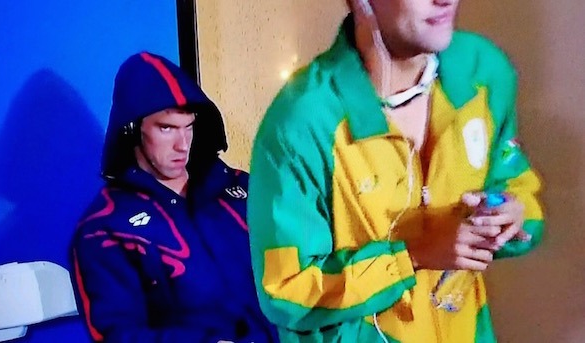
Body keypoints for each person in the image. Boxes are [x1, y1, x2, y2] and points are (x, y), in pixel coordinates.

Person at [248, 0, 544, 342]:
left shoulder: (483, 72)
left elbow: (521, 194)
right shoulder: (302, 122)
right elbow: (284, 291)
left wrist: (510, 215)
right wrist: (413, 254)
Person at [72, 52, 278, 343]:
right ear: (132, 130)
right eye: (166, 128)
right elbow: (119, 334)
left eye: (189, 126)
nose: (183, 145)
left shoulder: (241, 190)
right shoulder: (105, 229)